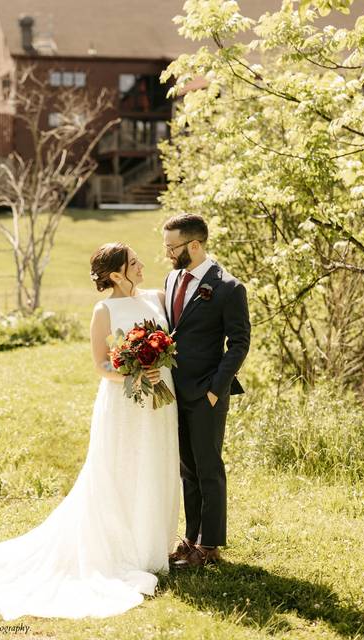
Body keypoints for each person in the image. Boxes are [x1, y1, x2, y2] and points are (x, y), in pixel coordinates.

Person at [0, 243, 180, 622]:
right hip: (124, 403)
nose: (141, 264)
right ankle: (125, 549)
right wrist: (134, 373)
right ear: (116, 274)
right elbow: (101, 365)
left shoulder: (157, 298)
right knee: (121, 469)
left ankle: (155, 545)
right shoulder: (104, 310)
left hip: (161, 403)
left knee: (157, 463)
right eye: (133, 263)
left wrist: (158, 365)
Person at [161, 213, 251, 569]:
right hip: (175, 391)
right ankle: (191, 538)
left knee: (208, 468)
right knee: (188, 470)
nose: (167, 253)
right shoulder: (171, 279)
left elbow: (240, 342)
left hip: (207, 393)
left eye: (173, 247)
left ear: (194, 245)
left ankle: (210, 546)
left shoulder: (228, 287)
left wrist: (217, 389)